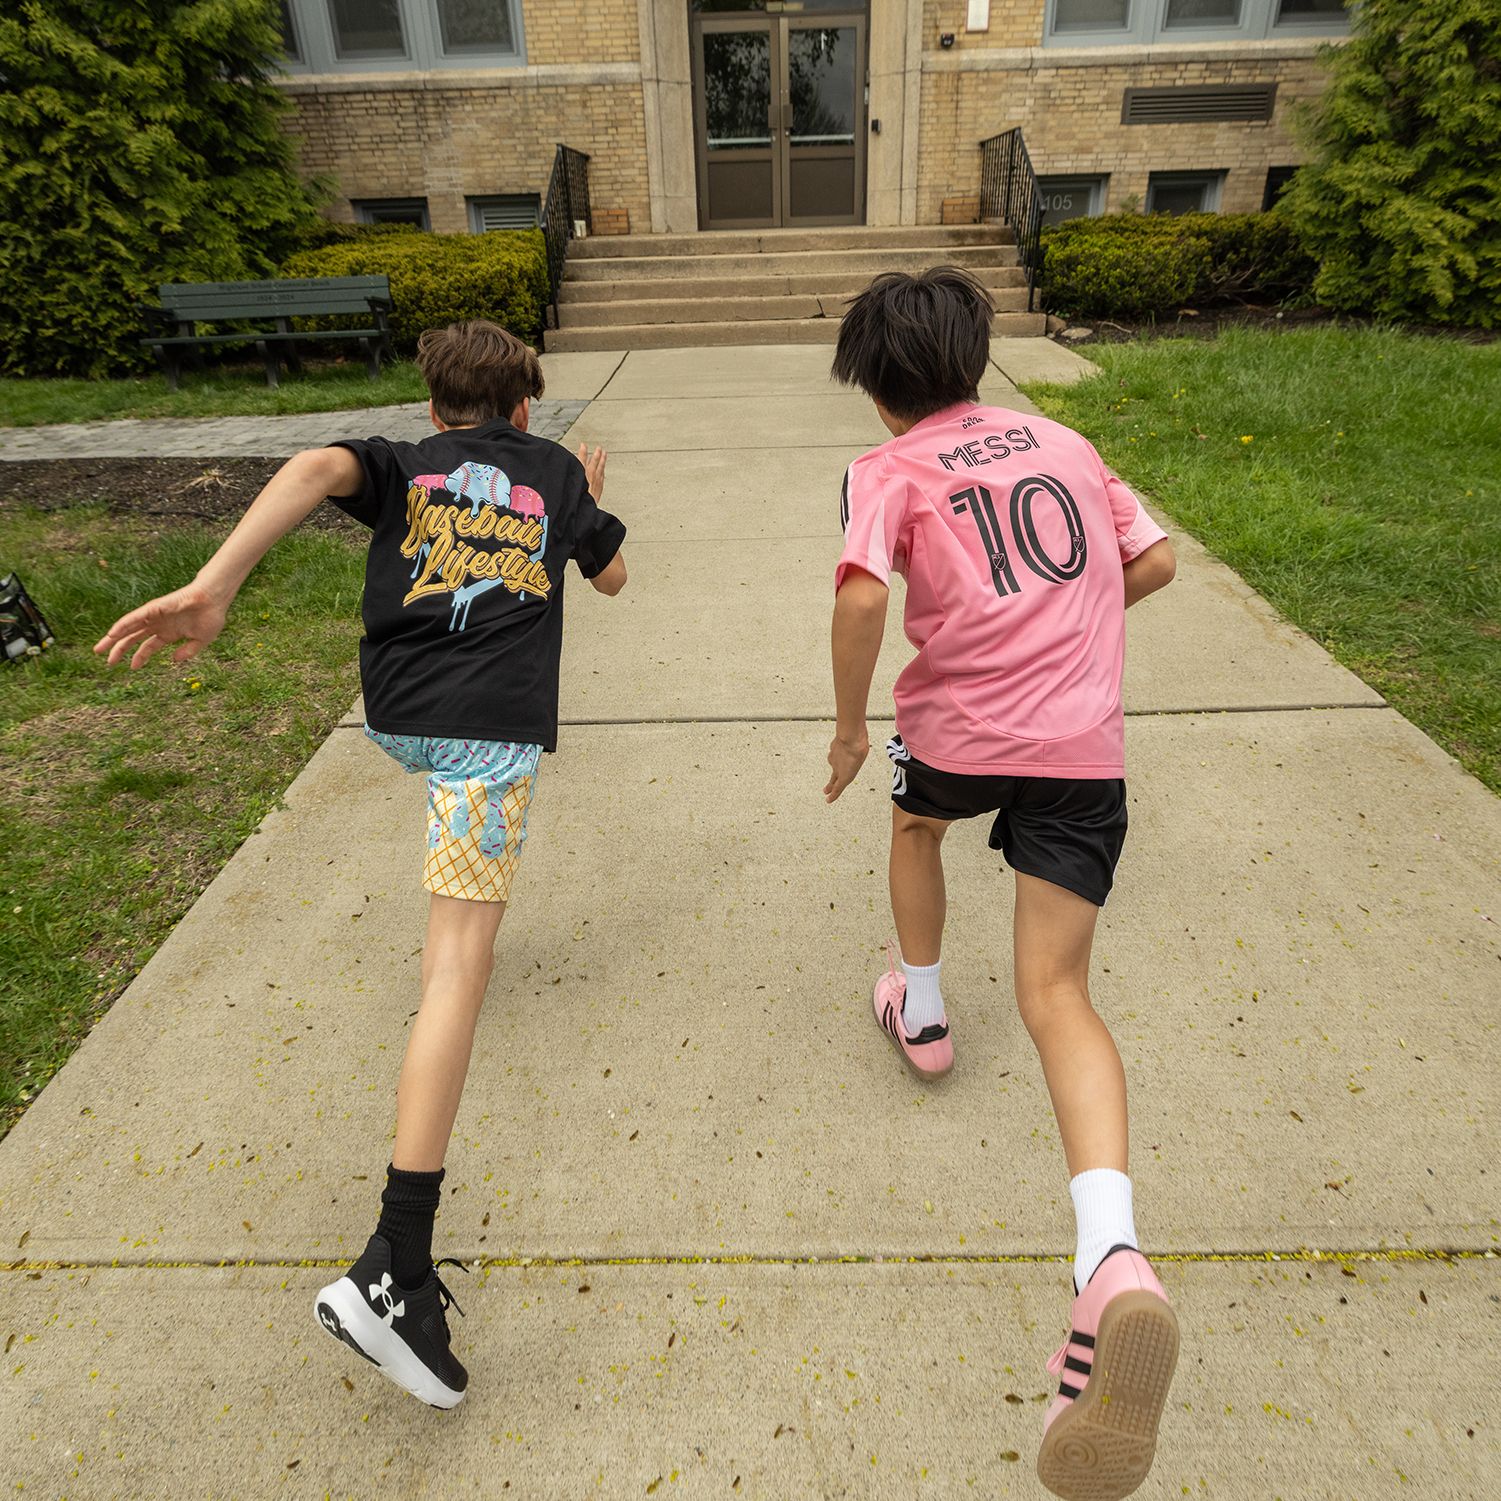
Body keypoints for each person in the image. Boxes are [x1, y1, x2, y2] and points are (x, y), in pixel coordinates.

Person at [95, 320, 626, 1410]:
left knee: (457, 851)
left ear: (433, 409)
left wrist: (215, 583)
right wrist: (585, 495)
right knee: (455, 970)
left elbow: (312, 465)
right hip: (484, 738)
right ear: (526, 408)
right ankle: (393, 1262)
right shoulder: (555, 470)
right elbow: (613, 577)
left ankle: (398, 1257)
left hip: (401, 717)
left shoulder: (403, 461)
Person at [823, 268, 1179, 1500]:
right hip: (1083, 751)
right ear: (975, 356)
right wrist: (1074, 618)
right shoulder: (1069, 443)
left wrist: (848, 723)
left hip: (959, 737)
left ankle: (918, 1005)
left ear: (875, 390)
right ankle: (1111, 1258)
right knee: (1059, 994)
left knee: (913, 831)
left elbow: (866, 593)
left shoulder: (889, 470)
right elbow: (1156, 560)